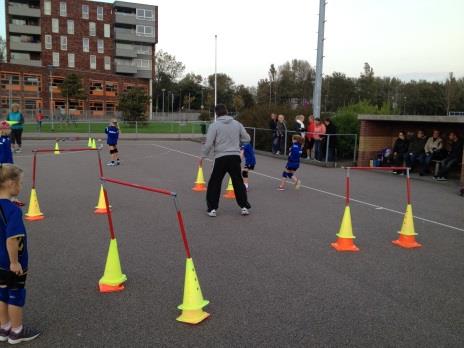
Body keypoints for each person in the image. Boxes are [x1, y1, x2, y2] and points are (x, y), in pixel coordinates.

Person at [0, 164, 41, 344]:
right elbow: (12, 239)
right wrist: (14, 262)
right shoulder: (12, 210)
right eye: (20, 183)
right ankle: (17, 331)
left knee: (1, 293)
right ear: (10, 184)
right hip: (12, 262)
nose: (21, 186)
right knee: (15, 293)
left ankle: (4, 327)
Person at [201, 104, 251, 217]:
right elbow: (247, 138)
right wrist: (237, 141)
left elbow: (208, 143)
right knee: (238, 182)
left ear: (216, 113)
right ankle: (244, 207)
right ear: (227, 112)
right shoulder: (237, 124)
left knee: (215, 182)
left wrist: (203, 155)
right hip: (234, 156)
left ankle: (212, 208)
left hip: (221, 157)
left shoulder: (214, 125)